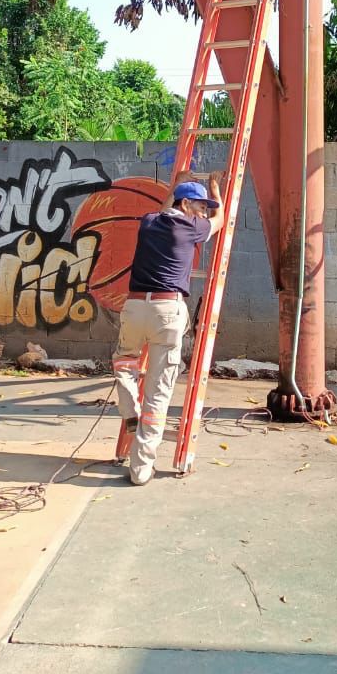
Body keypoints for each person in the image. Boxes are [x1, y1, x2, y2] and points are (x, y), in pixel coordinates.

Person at [112, 176, 224, 485]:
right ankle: (140, 468)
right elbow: (221, 219)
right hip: (167, 311)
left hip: (135, 307)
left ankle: (128, 407)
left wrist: (175, 184)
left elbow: (164, 209)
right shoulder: (191, 228)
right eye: (200, 207)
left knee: (124, 362)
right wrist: (217, 192)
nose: (203, 213)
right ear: (186, 204)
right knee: (159, 392)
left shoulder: (149, 222)